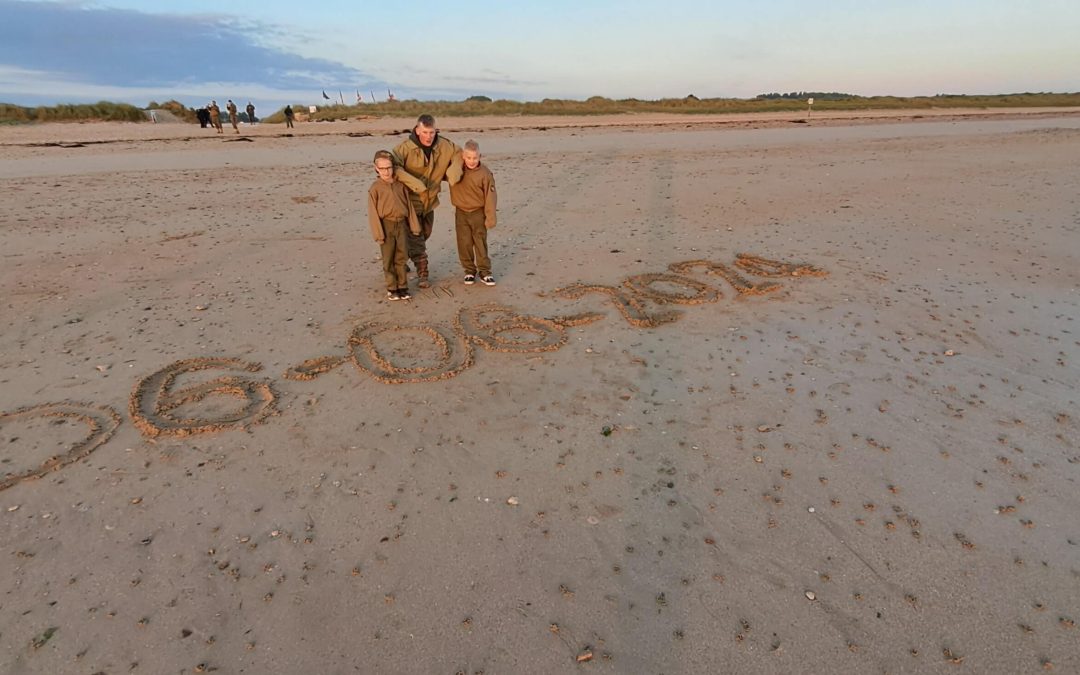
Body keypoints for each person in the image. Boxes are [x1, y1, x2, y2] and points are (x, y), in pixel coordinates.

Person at [391, 114, 462, 288]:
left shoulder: (445, 145)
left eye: (431, 132)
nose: (429, 136)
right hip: (410, 202)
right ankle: (422, 272)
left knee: (425, 233)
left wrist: (453, 174)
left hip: (430, 202)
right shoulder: (404, 148)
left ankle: (399, 259)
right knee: (417, 237)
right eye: (425, 132)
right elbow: (394, 166)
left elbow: (460, 153)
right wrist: (415, 184)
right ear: (417, 130)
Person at [367, 150, 421, 301]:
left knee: (401, 256)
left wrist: (414, 226)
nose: (386, 171)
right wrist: (379, 234)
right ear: (376, 168)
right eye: (382, 168)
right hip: (386, 225)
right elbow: (373, 213)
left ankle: (403, 286)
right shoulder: (375, 188)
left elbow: (409, 206)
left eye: (389, 167)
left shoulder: (400, 186)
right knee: (388, 258)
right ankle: (392, 287)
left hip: (402, 224)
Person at [449, 140, 497, 285]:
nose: (472, 161)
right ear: (463, 156)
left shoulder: (485, 173)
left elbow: (491, 196)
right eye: (468, 157)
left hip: (478, 212)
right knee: (464, 242)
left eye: (475, 158)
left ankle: (485, 272)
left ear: (480, 156)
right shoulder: (455, 170)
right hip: (461, 212)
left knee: (480, 241)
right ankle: (469, 270)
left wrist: (490, 216)